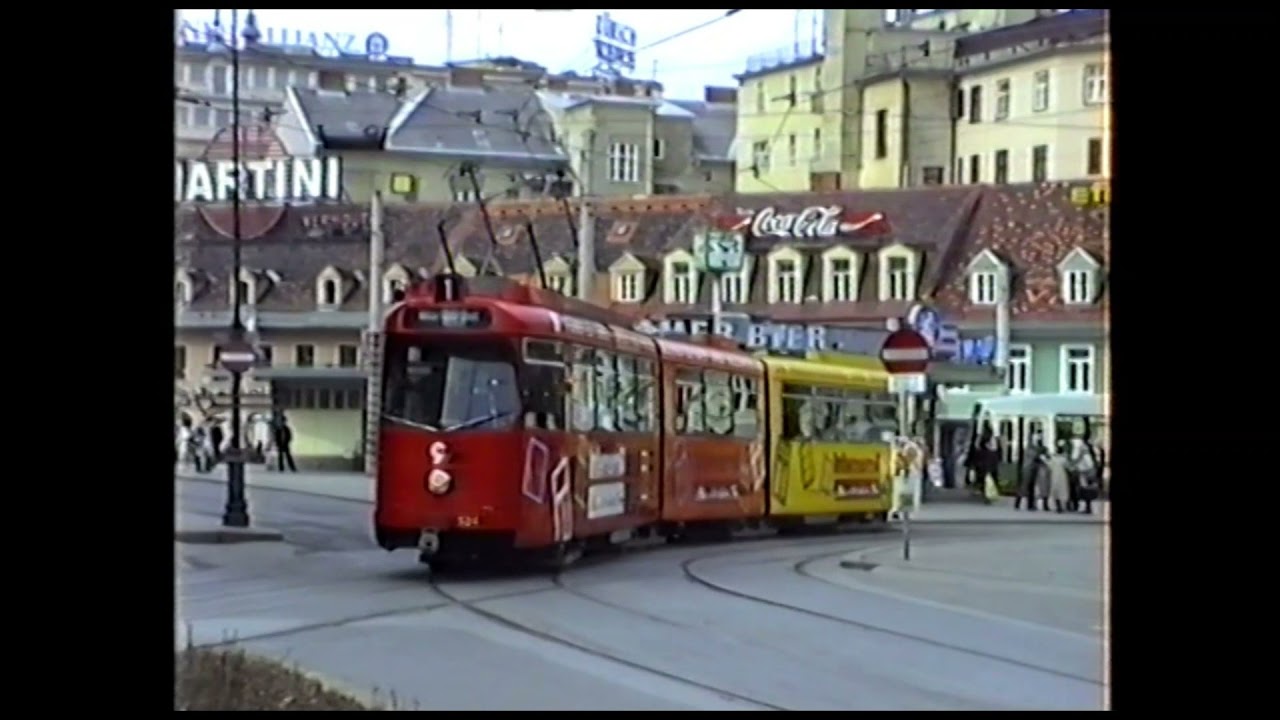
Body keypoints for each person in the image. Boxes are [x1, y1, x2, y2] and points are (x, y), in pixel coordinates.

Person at [1015, 434, 1047, 511]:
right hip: (1028, 470)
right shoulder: (1031, 449)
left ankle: (1025, 504)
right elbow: (1037, 456)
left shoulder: (1030, 448)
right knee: (1026, 487)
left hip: (1030, 469)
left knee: (1028, 487)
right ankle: (1021, 504)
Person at [1047, 440, 1072, 513]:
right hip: (1062, 475)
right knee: (1062, 490)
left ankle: (1058, 506)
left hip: (1054, 475)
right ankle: (1063, 506)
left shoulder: (1053, 458)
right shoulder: (1064, 459)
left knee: (1055, 489)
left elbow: (1049, 465)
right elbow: (1069, 466)